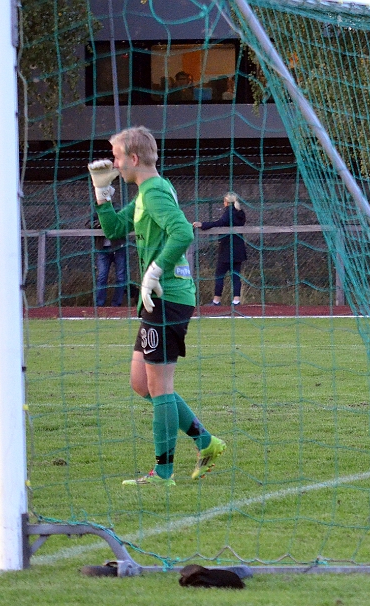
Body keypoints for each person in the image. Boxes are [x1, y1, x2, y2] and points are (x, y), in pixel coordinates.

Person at [89, 126, 226, 486]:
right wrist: (102, 195)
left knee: (160, 386)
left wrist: (155, 270)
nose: (114, 164)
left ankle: (163, 473)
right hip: (158, 299)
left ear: (133, 158)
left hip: (167, 297)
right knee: (142, 383)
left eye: (117, 157)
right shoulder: (147, 192)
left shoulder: (154, 193)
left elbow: (183, 231)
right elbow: (114, 230)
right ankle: (207, 442)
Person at [192, 192, 246, 306]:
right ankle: (236, 300)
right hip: (239, 249)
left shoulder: (229, 212)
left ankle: (216, 300)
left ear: (226, 202)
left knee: (219, 274)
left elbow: (220, 223)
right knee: (236, 275)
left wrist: (203, 224)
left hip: (227, 249)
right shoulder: (240, 213)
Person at [91, 215, 129, 307]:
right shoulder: (97, 212)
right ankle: (99, 304)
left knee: (121, 277)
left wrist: (113, 222)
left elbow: (125, 223)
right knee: (102, 276)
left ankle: (116, 304)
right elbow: (89, 224)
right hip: (102, 249)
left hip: (119, 248)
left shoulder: (118, 210)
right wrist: (100, 223)